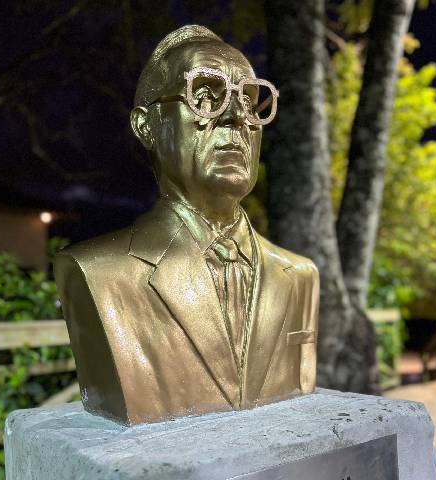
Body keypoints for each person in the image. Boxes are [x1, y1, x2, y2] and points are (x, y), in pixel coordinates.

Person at [55, 25, 319, 424]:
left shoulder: (299, 276)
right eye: (205, 97)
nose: (236, 118)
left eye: (250, 102)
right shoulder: (97, 272)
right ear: (147, 126)